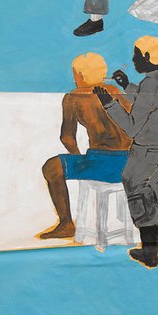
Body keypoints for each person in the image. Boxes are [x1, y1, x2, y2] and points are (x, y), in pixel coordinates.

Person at [92, 36, 158, 269]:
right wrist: (127, 86)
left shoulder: (149, 83)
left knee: (137, 188)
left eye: (136, 56)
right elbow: (155, 102)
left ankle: (149, 253)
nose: (134, 60)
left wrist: (109, 104)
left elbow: (132, 127)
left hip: (147, 149)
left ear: (146, 56)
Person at [36, 53, 132, 240]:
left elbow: (67, 138)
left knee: (51, 168)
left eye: (75, 73)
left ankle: (66, 224)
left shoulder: (73, 98)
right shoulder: (115, 91)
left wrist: (79, 158)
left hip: (99, 164)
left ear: (80, 74)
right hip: (128, 163)